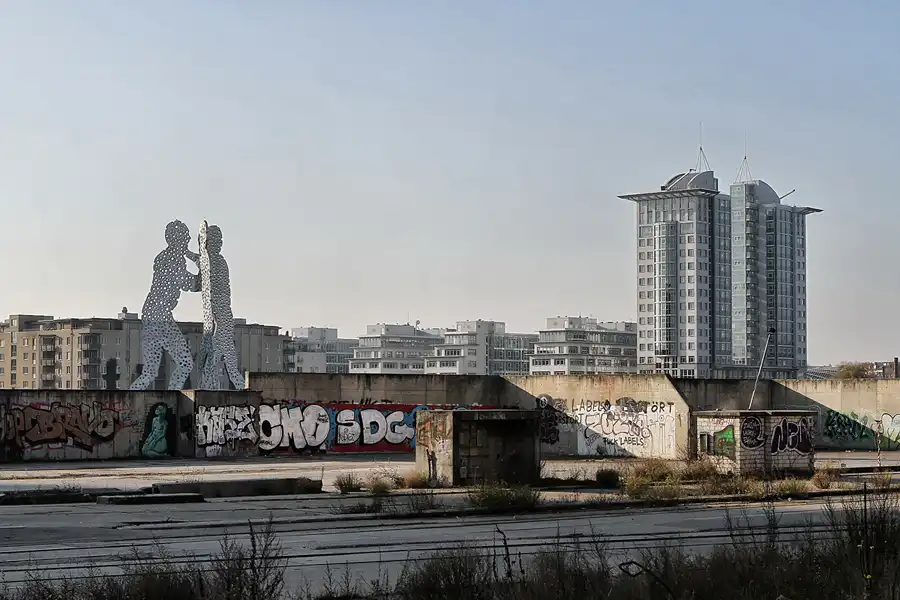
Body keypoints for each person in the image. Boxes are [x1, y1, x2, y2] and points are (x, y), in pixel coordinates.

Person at [130, 220, 200, 390]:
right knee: (185, 363)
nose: (189, 238)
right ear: (178, 239)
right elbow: (193, 284)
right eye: (186, 236)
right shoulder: (173, 259)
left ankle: (131, 396)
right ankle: (173, 396)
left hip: (150, 315)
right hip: (161, 318)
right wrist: (200, 263)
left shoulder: (163, 256)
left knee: (150, 371)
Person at [199, 223, 244, 390]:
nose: (219, 244)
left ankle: (211, 390)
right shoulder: (215, 261)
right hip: (222, 319)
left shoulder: (216, 262)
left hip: (222, 318)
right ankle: (236, 387)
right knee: (228, 360)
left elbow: (204, 282)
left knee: (216, 358)